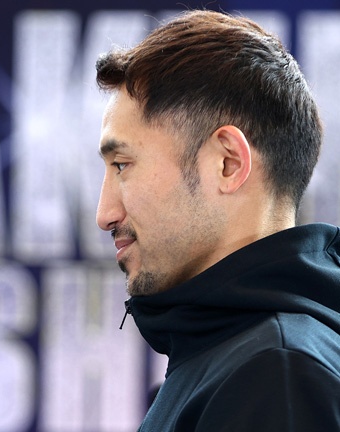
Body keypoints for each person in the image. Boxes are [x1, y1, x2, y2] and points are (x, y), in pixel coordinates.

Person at [95, 10, 340, 431]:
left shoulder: (274, 375)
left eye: (122, 165)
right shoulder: (238, 358)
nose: (105, 214)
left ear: (227, 163)